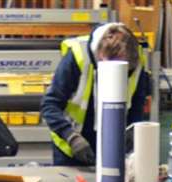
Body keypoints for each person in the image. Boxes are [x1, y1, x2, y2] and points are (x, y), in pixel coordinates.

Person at [41, 23, 151, 167]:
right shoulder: (77, 57)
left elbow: (138, 101)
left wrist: (133, 129)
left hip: (112, 145)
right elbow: (50, 105)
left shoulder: (136, 60)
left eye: (124, 70)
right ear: (100, 55)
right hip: (73, 145)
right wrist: (71, 137)